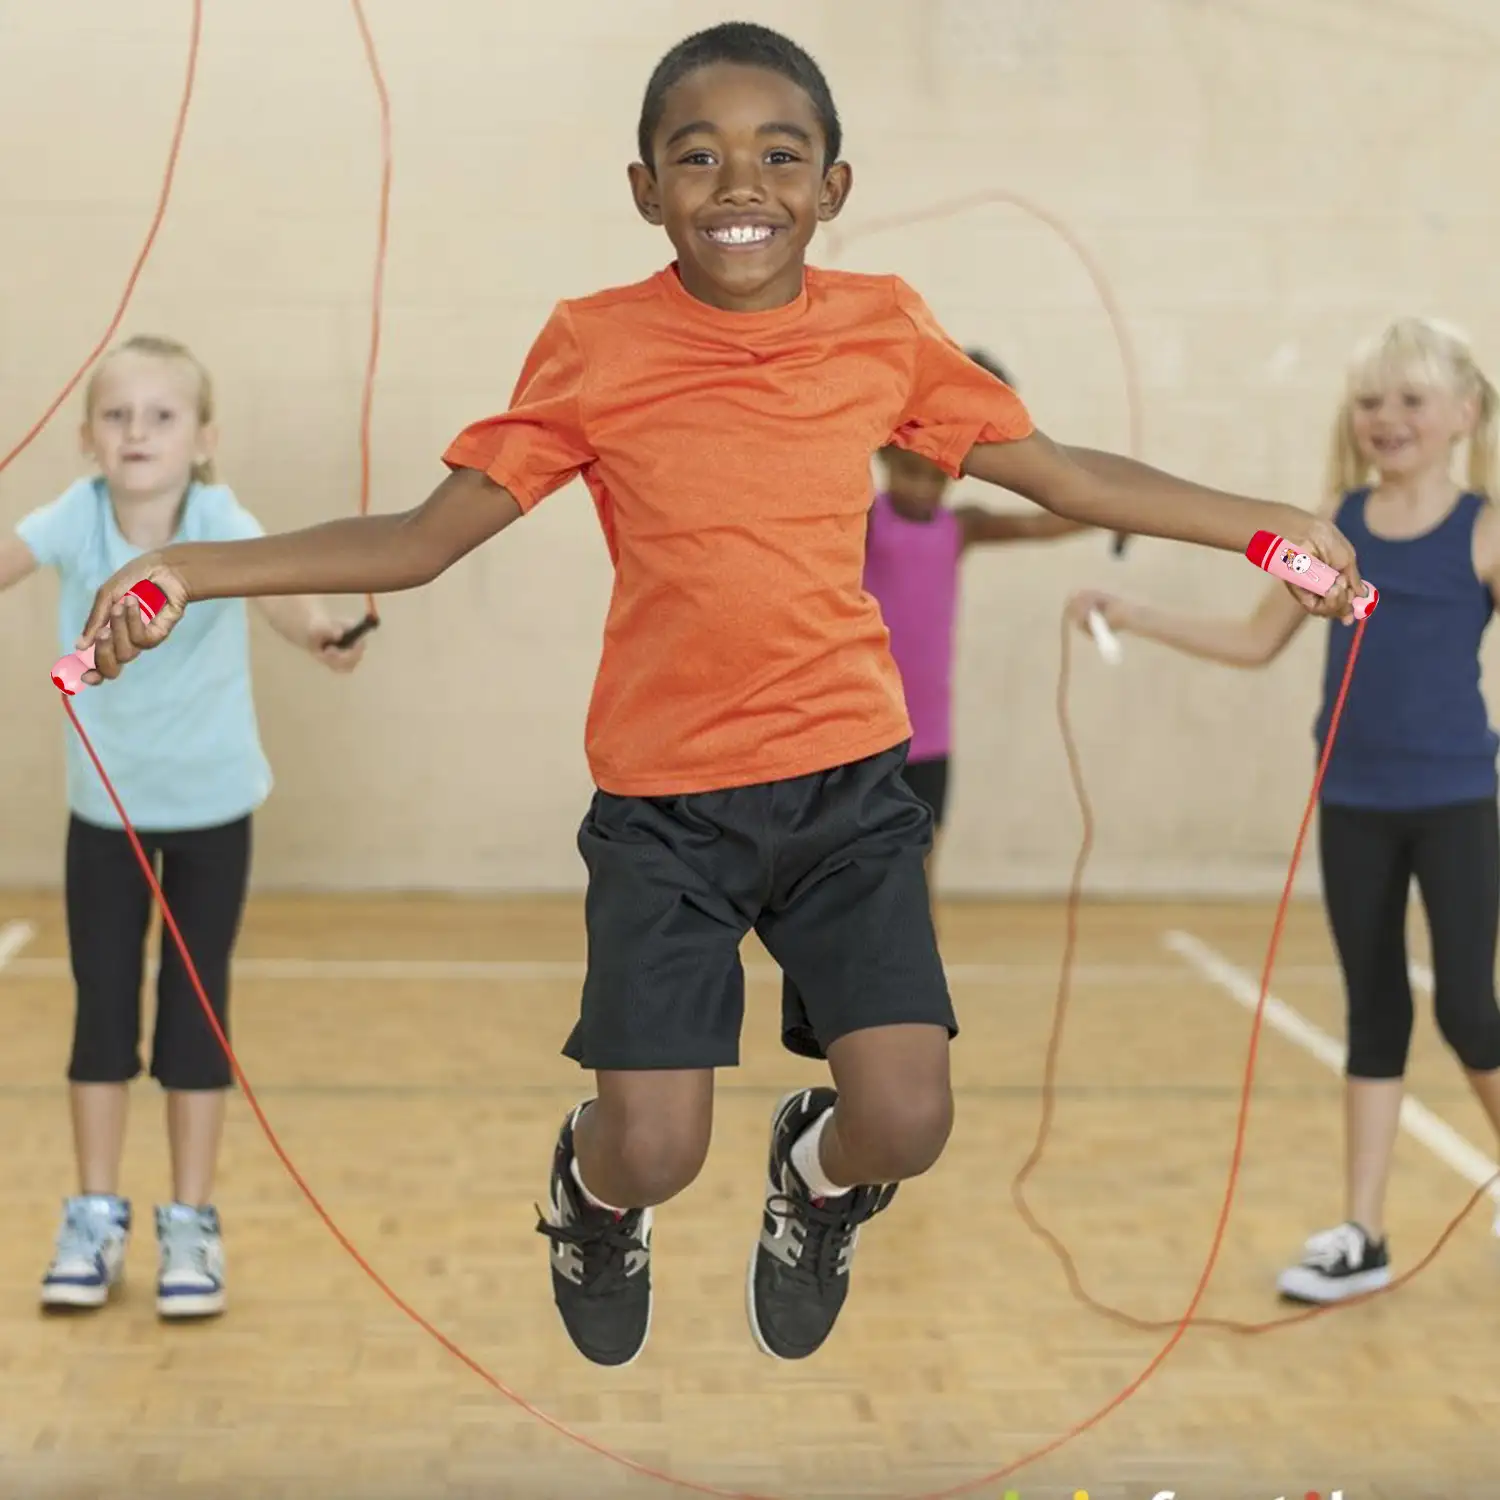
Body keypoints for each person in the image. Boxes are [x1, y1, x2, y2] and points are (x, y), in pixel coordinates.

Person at [74, 24, 1362, 1365]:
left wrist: (1264, 528)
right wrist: (186, 568)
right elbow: (421, 537)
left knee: (908, 1118)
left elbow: (1065, 478)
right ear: (644, 189)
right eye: (698, 156)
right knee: (656, 1147)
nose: (740, 182)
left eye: (778, 154)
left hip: (849, 790)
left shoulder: (884, 329)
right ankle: (590, 1197)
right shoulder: (594, 345)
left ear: (834, 186)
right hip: (667, 807)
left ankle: (814, 1179)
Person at [1067, 315, 1500, 1304]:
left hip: (1457, 804)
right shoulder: (1330, 529)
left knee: (1471, 1009)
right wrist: (1134, 613)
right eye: (1369, 400)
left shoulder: (1484, 531)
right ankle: (1364, 1231)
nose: (1386, 417)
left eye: (1411, 399)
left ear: (1464, 414)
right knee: (1375, 1009)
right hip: (1351, 803)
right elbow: (1258, 638)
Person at [0, 334, 367, 1319]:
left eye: (161, 416)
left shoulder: (215, 520)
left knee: (195, 1027)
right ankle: (92, 1215)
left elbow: (280, 594)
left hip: (211, 814)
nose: (138, 432)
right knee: (102, 1017)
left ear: (203, 437)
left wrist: (324, 633)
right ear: (87, 437)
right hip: (104, 820)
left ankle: (190, 1226)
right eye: (117, 416)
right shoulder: (76, 520)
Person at [863, 347, 1092, 876]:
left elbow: (1041, 523)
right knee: (868, 875)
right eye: (911, 474)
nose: (924, 489)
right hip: (866, 733)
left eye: (935, 478)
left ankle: (926, 961)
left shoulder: (958, 527)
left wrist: (1116, 516)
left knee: (921, 869)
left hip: (931, 734)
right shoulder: (868, 521)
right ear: (887, 460)